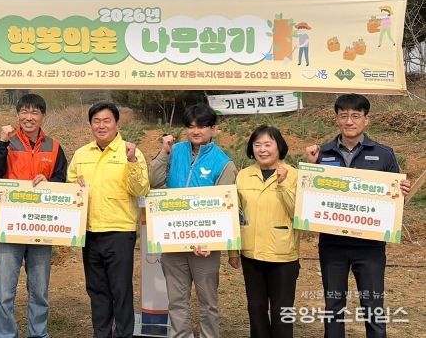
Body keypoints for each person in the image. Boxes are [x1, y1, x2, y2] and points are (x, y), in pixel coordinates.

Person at [305, 93, 411, 338]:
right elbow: (310, 195)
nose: (349, 121)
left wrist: (401, 193)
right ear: (336, 119)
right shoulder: (322, 153)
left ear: (366, 119)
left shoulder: (384, 154)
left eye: (355, 115)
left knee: (373, 306)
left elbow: (394, 201)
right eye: (344, 115)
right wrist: (310, 165)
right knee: (333, 306)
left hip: (370, 246)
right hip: (332, 244)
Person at [149, 103, 237, 338]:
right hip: (174, 240)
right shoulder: (175, 151)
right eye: (190, 126)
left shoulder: (223, 163)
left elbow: (225, 207)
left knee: (208, 302)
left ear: (212, 128)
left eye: (201, 126)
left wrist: (211, 241)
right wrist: (164, 152)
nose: (195, 131)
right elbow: (154, 180)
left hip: (205, 246)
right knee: (177, 301)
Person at [0, 93, 68, 338]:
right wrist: (1, 143)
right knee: (5, 291)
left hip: (41, 227)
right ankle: (4, 334)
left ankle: (38, 333)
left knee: (39, 290)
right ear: (17, 114)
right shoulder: (6, 143)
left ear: (43, 116)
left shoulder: (54, 147)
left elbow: (62, 179)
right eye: (24, 111)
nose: (29, 117)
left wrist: (50, 182)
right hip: (10, 226)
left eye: (34, 112)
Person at [67, 102, 149, 338]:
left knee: (120, 290)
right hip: (90, 231)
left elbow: (141, 190)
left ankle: (124, 334)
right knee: (97, 290)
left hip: (119, 232)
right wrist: (73, 186)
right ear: (90, 124)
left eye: (106, 121)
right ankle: (101, 333)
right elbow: (69, 188)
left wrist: (131, 162)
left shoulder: (131, 152)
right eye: (96, 121)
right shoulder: (81, 154)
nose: (101, 126)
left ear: (116, 123)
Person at [228, 125, 299, 338]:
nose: (262, 149)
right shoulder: (243, 175)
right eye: (257, 144)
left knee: (282, 311)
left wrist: (283, 184)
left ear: (279, 147)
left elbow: (298, 212)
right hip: (251, 253)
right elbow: (235, 214)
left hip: (282, 255)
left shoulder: (294, 175)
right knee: (256, 309)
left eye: (268, 144)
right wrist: (233, 251)